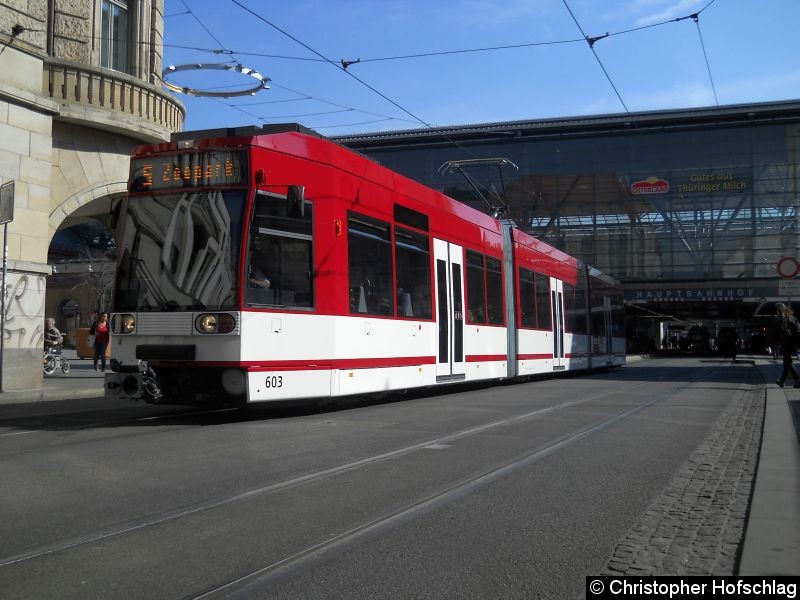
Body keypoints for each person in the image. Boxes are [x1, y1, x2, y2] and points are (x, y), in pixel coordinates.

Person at [773, 303, 800, 387]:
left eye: (777, 310)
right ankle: (782, 381)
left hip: (788, 343)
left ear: (779, 310)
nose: (776, 311)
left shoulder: (783, 318)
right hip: (791, 343)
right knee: (787, 362)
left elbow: (780, 332)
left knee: (787, 362)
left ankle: (798, 379)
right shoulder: (792, 318)